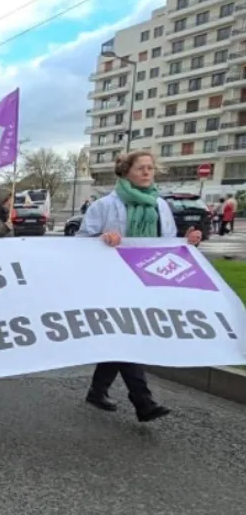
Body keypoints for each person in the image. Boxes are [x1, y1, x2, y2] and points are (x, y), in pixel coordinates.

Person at [77, 150, 202, 423]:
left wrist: (187, 242)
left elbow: (167, 241)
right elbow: (81, 241)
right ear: (125, 172)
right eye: (141, 168)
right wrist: (101, 238)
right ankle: (143, 401)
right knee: (126, 336)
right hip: (111, 281)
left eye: (150, 168)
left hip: (146, 280)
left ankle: (97, 391)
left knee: (121, 337)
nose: (147, 172)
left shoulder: (160, 205)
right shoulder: (105, 205)